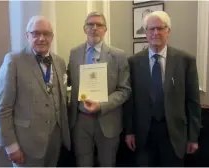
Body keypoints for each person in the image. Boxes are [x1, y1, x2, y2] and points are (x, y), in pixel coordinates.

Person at [124, 11, 201, 166]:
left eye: (160, 28)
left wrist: (193, 137)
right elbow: (130, 101)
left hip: (174, 134)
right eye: (151, 29)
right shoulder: (133, 62)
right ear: (145, 32)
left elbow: (193, 101)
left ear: (168, 31)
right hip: (143, 135)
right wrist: (129, 131)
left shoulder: (186, 60)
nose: (155, 33)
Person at [0, 15, 70, 167]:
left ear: (52, 37)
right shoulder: (13, 61)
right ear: (27, 36)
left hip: (55, 141)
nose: (42, 38)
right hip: (26, 144)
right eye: (36, 33)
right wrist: (11, 146)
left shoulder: (60, 62)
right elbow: (2, 108)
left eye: (46, 34)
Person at [67, 11, 131, 166]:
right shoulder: (74, 53)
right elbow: (70, 83)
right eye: (90, 24)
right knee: (83, 164)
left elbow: (125, 90)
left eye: (99, 25)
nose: (94, 28)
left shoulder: (118, 55)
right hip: (81, 121)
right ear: (84, 28)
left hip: (108, 121)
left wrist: (102, 105)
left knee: (107, 163)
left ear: (105, 30)